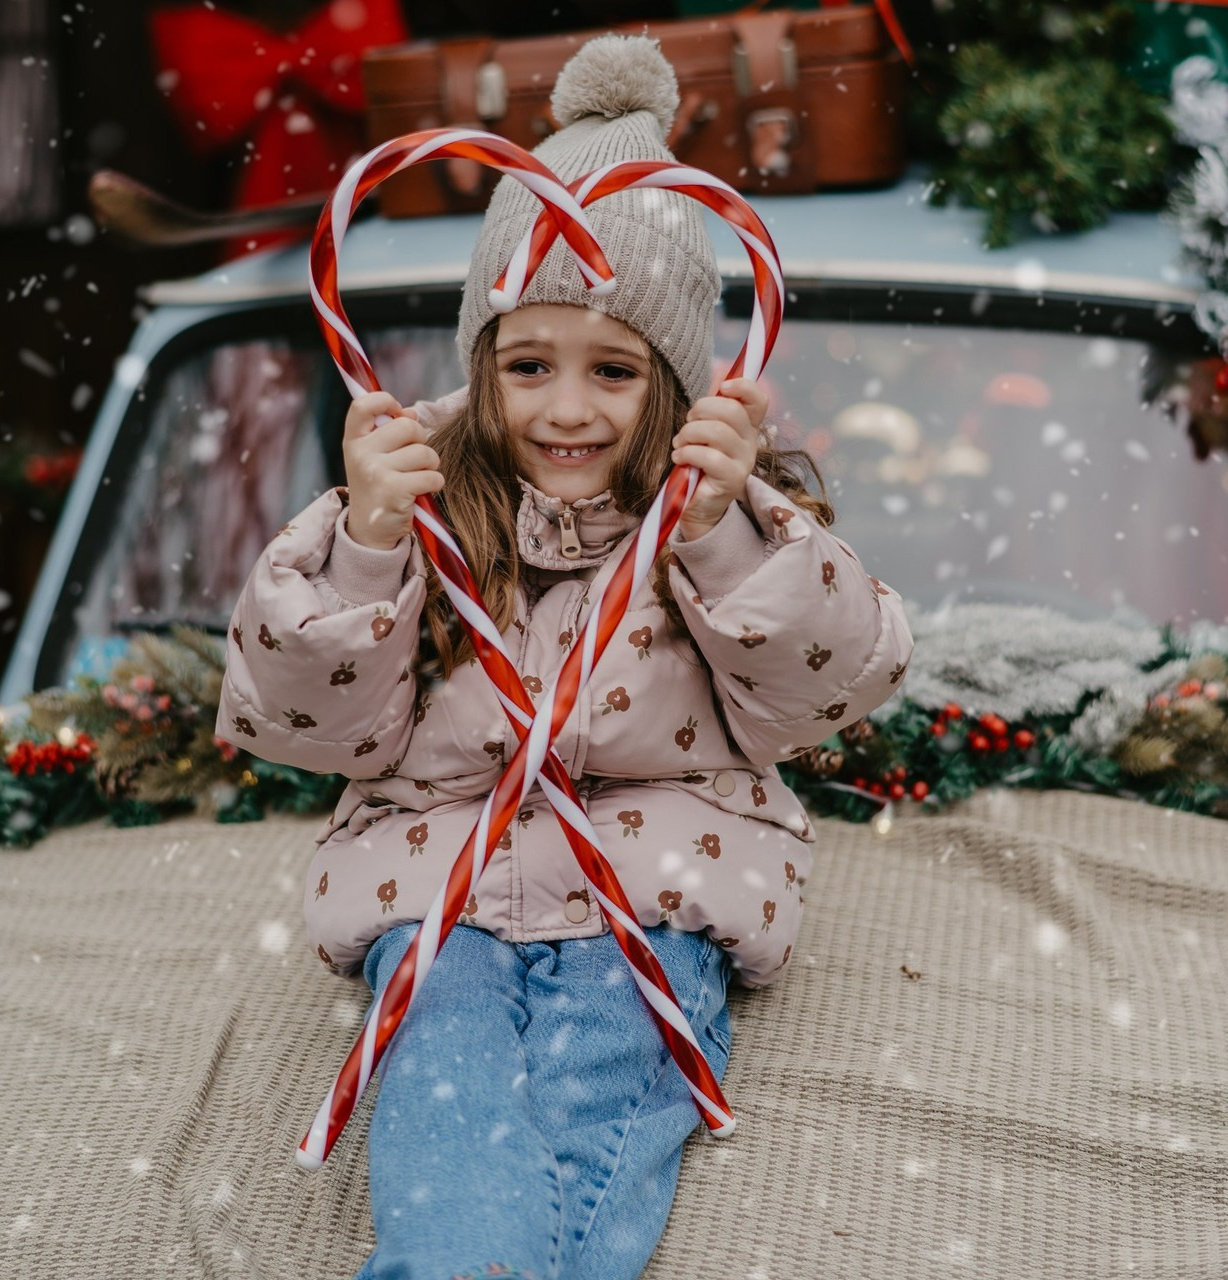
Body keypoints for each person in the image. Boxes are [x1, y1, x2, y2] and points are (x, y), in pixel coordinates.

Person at [217, 34, 913, 1280]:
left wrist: (717, 532)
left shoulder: (725, 518)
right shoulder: (408, 506)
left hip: (655, 890)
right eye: (528, 364)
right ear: (481, 365)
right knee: (444, 1103)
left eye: (615, 369)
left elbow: (827, 690)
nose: (568, 408)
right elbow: (311, 726)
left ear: (678, 382)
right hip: (437, 892)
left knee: (598, 1104)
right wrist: (367, 546)